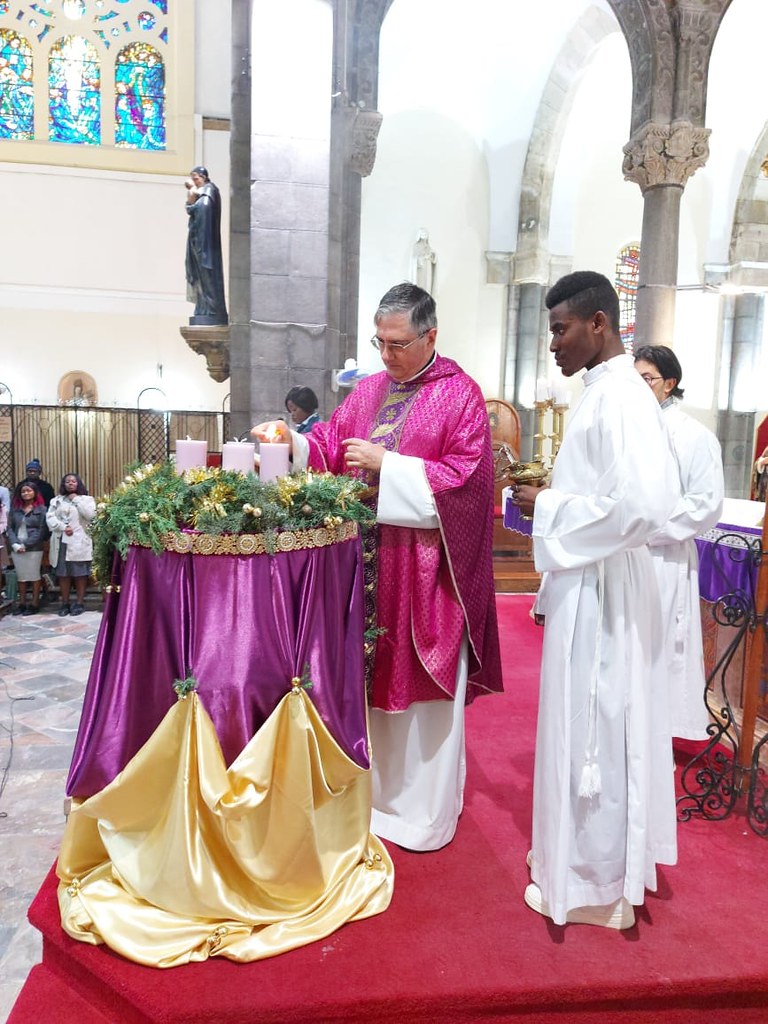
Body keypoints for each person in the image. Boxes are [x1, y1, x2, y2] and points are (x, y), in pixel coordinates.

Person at [252, 282, 503, 851]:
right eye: (379, 342)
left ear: (430, 335)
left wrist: (391, 465)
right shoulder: (366, 391)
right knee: (362, 686)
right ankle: (366, 799)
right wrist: (291, 442)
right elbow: (331, 449)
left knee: (419, 699)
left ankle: (420, 814)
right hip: (364, 566)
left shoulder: (461, 396)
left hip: (424, 572)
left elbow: (467, 483)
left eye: (397, 343)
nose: (386, 355)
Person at [512, 271, 680, 929]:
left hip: (605, 589)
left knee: (599, 733)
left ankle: (597, 883)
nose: (553, 343)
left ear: (599, 325)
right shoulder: (602, 392)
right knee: (589, 728)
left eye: (561, 329)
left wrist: (547, 504)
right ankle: (574, 862)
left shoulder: (622, 397)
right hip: (592, 579)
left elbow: (643, 506)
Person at [634, 345, 724, 740]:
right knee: (628, 649)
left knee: (659, 651)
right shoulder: (631, 429)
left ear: (669, 384)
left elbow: (705, 504)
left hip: (664, 558)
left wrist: (646, 530)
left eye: (647, 379)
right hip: (627, 554)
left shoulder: (693, 436)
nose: (638, 388)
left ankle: (656, 739)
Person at [46, 473, 97, 617]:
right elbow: (50, 518)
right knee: (63, 575)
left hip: (79, 541)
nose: (70, 483)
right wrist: (62, 527)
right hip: (61, 541)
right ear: (63, 484)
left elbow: (91, 516)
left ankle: (80, 603)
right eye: (67, 481)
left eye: (73, 481)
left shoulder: (87, 499)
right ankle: (65, 603)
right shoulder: (56, 500)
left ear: (78, 483)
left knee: (80, 574)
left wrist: (76, 500)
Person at [185, 166, 228, 325]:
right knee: (200, 276)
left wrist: (192, 200)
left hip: (206, 245)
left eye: (197, 179)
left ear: (204, 177)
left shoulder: (209, 191)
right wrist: (191, 201)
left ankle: (212, 308)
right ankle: (204, 307)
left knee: (208, 276)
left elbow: (203, 208)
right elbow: (194, 210)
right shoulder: (203, 192)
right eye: (193, 179)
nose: (195, 182)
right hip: (198, 242)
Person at [7, 480, 49, 615]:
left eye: (29, 491)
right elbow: (10, 528)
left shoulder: (42, 509)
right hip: (16, 547)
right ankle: (22, 603)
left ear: (35, 493)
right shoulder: (15, 509)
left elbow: (41, 530)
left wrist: (25, 545)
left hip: (33, 548)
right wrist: (14, 544)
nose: (26, 493)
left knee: (34, 575)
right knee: (21, 576)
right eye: (23, 491)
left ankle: (34, 603)